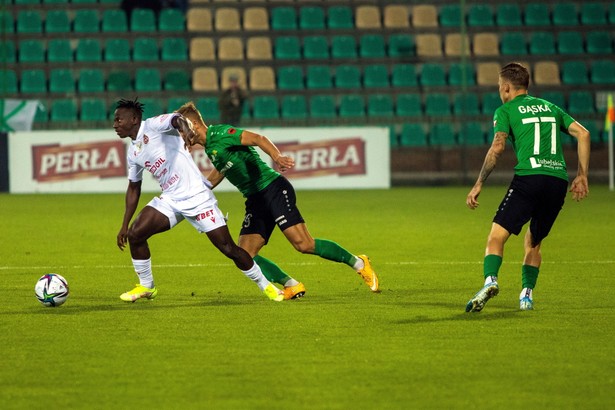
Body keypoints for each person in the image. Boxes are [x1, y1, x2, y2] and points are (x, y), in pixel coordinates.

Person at [175, 101, 380, 299]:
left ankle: (359, 263)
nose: (181, 135)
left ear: (192, 125)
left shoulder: (220, 134)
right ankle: (291, 285)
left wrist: (277, 157)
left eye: (182, 130)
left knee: (303, 244)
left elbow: (258, 139)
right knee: (244, 253)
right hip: (255, 199)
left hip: (273, 189)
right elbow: (223, 168)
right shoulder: (211, 148)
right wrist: (204, 189)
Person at [113, 98, 284, 302]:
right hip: (171, 199)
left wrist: (185, 130)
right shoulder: (133, 152)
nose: (115, 125)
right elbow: (133, 188)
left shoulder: (153, 125)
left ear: (133, 119)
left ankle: (267, 286)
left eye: (118, 120)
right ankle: (146, 286)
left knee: (228, 248)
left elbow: (177, 119)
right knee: (135, 234)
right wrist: (124, 224)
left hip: (198, 198)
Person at [465, 62, 590, 312]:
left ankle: (490, 282)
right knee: (534, 242)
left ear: (507, 87)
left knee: (496, 236)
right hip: (557, 181)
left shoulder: (506, 110)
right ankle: (526, 296)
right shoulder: (550, 107)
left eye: (500, 88)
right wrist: (582, 175)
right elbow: (584, 134)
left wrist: (479, 183)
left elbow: (497, 147)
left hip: (529, 178)